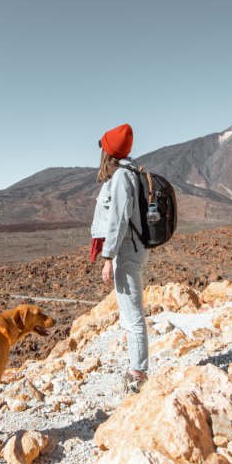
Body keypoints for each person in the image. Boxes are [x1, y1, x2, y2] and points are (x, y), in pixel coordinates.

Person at [90, 123, 149, 393]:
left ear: (108, 151)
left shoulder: (123, 177)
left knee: (132, 313)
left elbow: (118, 220)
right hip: (127, 250)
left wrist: (108, 257)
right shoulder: (127, 173)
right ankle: (135, 368)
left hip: (126, 252)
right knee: (128, 311)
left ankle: (138, 373)